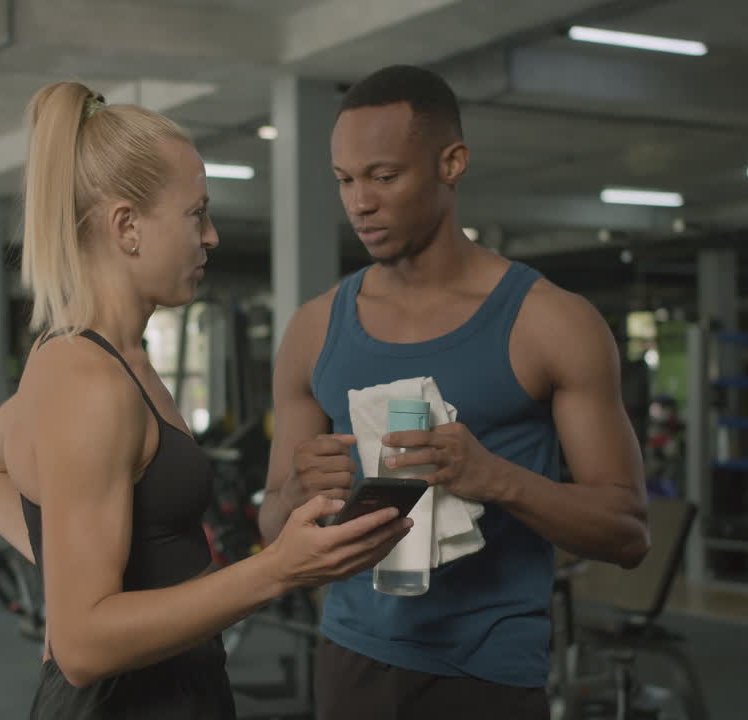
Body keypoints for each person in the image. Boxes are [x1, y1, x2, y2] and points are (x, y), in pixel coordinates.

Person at [0, 81, 412, 720]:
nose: (213, 236)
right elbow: (82, 649)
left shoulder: (116, 361)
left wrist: (66, 572)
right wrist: (278, 570)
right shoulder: (86, 379)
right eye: (197, 214)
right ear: (128, 227)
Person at [257, 65, 651, 719]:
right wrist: (298, 492)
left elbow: (628, 532)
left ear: (451, 163)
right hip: (351, 662)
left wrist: (497, 479)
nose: (360, 203)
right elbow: (273, 527)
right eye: (346, 180)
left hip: (487, 671)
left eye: (384, 176)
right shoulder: (313, 330)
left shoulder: (550, 323)